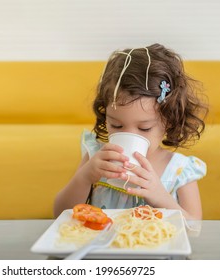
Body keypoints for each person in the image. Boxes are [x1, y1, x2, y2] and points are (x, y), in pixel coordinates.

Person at [54, 43, 208, 220]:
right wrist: (84, 177)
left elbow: (195, 228)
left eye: (145, 128)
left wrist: (161, 197)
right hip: (103, 246)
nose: (130, 134)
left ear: (169, 122)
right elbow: (59, 214)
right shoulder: (96, 158)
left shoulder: (179, 170)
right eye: (116, 125)